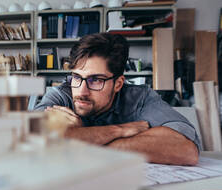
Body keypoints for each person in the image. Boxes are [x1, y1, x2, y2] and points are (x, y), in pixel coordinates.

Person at [34, 32, 200, 165]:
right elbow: (30, 137)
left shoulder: (140, 98)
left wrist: (77, 137)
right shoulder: (61, 94)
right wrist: (119, 130)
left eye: (96, 80)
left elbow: (186, 149)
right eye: (77, 77)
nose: (82, 91)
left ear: (118, 84)